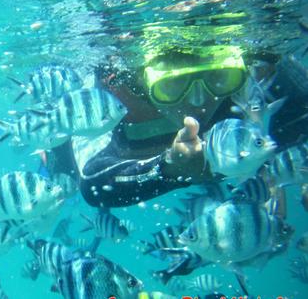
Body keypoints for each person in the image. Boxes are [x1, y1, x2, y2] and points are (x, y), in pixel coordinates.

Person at [46, 45, 308, 208]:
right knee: (62, 175)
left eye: (219, 77)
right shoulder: (112, 92)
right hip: (117, 150)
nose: (198, 103)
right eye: (172, 85)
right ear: (139, 82)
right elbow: (93, 185)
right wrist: (168, 169)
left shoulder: (256, 78)